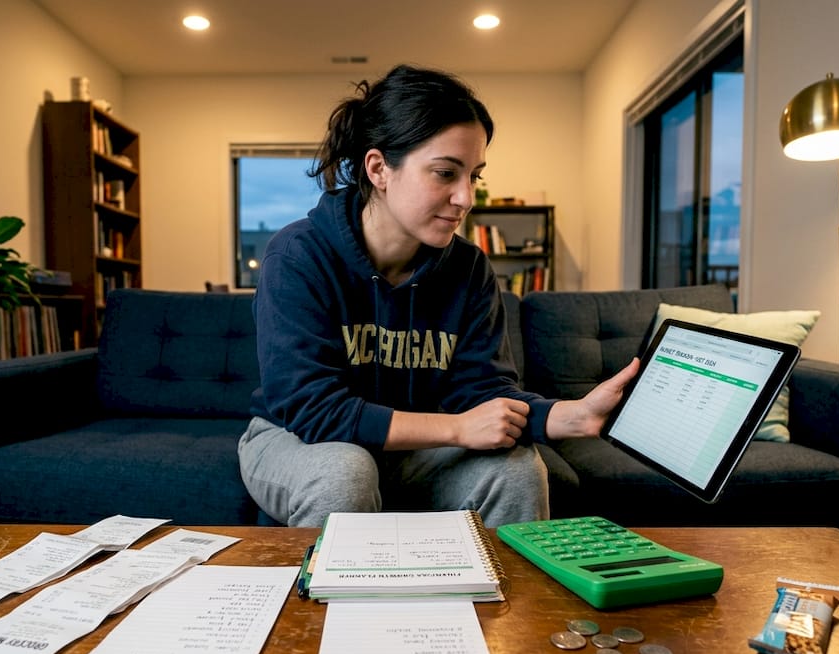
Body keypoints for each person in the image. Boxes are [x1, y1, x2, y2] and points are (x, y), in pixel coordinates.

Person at [238, 64, 639, 527]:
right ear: (379, 168)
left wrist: (565, 416)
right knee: (345, 473)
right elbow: (313, 409)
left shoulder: (468, 268)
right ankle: (336, 601)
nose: (466, 197)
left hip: (416, 449)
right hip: (296, 439)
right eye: (446, 173)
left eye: (474, 176)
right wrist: (457, 428)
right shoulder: (297, 255)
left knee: (518, 471)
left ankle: (513, 601)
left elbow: (484, 392)